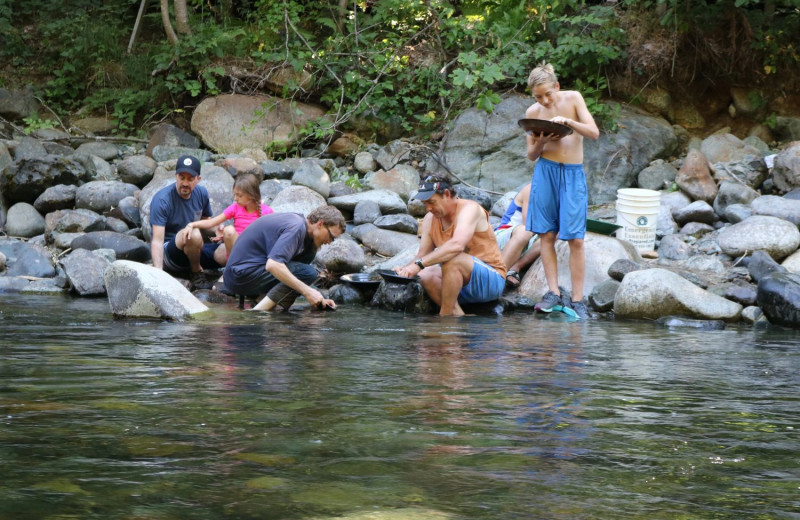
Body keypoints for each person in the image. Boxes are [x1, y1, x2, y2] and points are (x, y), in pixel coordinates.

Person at [524, 62, 599, 319]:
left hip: (572, 173)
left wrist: (568, 121)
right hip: (546, 172)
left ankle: (578, 299)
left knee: (575, 239)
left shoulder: (574, 98)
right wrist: (542, 141)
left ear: (557, 86)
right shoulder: (533, 112)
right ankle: (554, 293)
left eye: (548, 94)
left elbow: (594, 132)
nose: (544, 100)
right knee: (546, 234)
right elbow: (531, 155)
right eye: (538, 96)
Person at [395, 175, 506, 317]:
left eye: (431, 202)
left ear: (447, 194)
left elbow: (457, 245)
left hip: (490, 283)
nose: (428, 208)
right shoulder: (430, 218)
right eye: (425, 204)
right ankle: (456, 315)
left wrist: (418, 264)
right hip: (454, 283)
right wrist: (405, 270)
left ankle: (445, 319)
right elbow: (422, 255)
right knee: (424, 274)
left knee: (453, 258)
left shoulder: (469, 209)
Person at [223, 205, 346, 312]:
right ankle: (259, 311)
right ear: (320, 224)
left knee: (309, 255)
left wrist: (319, 298)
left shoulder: (303, 231)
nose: (330, 242)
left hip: (247, 274)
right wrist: (308, 292)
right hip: (239, 276)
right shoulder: (296, 227)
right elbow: (273, 265)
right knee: (308, 273)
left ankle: (263, 299)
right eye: (331, 236)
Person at [149, 154, 223, 290]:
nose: (185, 183)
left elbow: (205, 220)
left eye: (190, 179)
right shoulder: (162, 200)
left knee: (229, 245)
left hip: (194, 251)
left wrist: (219, 230)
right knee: (193, 233)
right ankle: (196, 273)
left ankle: (233, 280)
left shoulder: (202, 194)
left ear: (198, 179)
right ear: (175, 176)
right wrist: (158, 272)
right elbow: (157, 241)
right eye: (181, 178)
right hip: (170, 255)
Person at [182, 172, 273, 266]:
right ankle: (232, 268)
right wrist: (192, 225)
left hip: (255, 253)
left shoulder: (267, 212)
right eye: (235, 194)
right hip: (237, 252)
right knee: (228, 230)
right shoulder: (235, 208)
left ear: (251, 195)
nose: (235, 198)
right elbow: (212, 222)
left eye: (239, 195)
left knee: (230, 230)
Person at [494, 182, 541, 288]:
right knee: (525, 231)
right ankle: (496, 276)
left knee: (555, 235)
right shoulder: (532, 188)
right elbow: (528, 224)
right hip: (506, 235)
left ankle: (514, 268)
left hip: (527, 241)